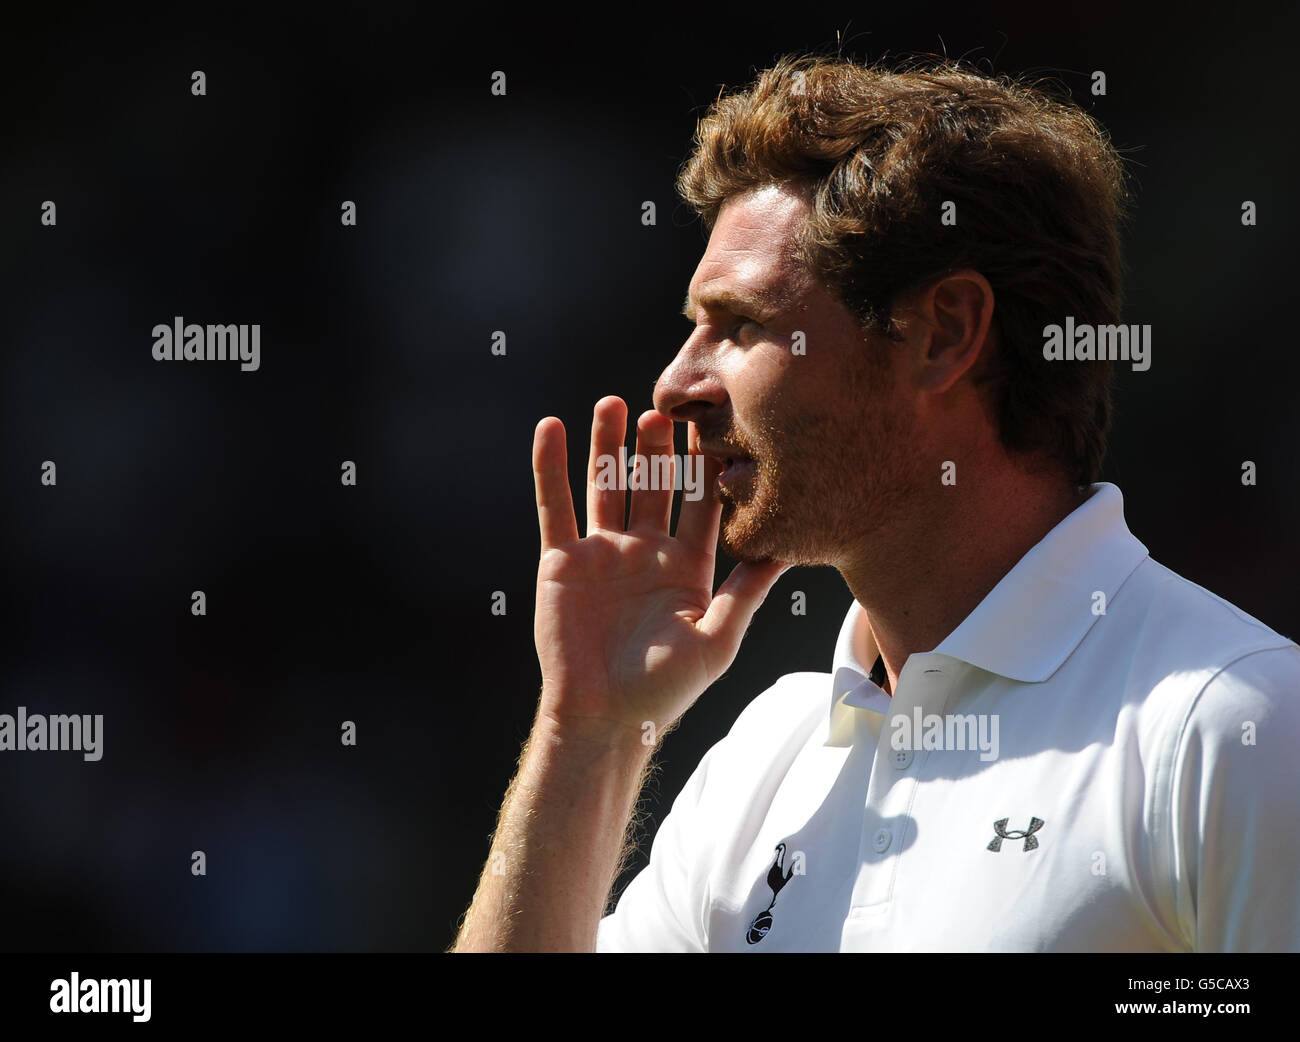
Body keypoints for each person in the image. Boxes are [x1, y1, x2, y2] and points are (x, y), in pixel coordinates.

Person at [451, 54, 1300, 952]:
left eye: (741, 326)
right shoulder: (764, 759)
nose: (675, 384)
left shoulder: (1234, 725)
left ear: (943, 334)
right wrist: (587, 731)